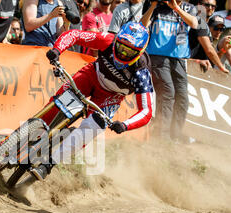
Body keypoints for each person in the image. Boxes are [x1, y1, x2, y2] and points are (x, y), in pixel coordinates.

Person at [30, 22, 154, 180]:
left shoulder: (141, 72)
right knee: (58, 102)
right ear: (116, 40)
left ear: (140, 52)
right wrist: (57, 49)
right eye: (121, 46)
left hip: (111, 96)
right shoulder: (107, 40)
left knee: (91, 128)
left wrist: (124, 125)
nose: (122, 53)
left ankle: (48, 164)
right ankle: (29, 135)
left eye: (129, 52)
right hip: (92, 76)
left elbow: (147, 111)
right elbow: (75, 35)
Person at [140, 0, 198, 143]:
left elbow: (194, 24)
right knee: (167, 92)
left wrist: (176, 8)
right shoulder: (154, 4)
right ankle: (161, 136)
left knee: (182, 97)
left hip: (178, 57)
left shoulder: (188, 7)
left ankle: (175, 136)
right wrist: (153, 6)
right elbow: (142, 25)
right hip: (157, 55)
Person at [188, 0, 228, 73]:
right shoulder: (198, 20)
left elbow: (210, 58)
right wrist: (222, 67)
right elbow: (209, 50)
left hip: (197, 68)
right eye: (207, 5)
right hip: (188, 66)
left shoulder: (204, 25)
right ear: (199, 4)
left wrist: (223, 50)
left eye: (213, 6)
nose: (210, 8)